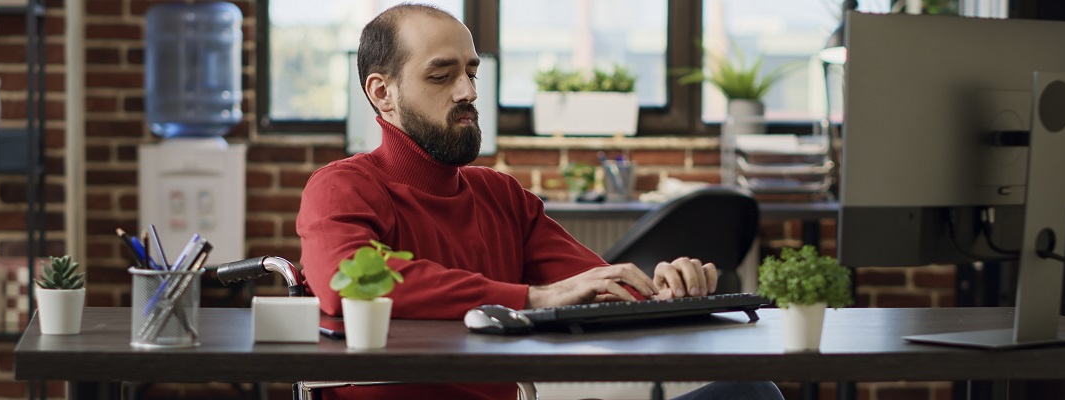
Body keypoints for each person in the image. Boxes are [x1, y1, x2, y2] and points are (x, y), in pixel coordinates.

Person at [296, 4, 784, 400]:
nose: (467, 91)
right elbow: (347, 283)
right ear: (383, 94)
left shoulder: (501, 195)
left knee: (751, 390)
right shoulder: (341, 187)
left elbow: (601, 287)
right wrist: (532, 298)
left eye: (471, 72)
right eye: (442, 76)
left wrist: (668, 290)